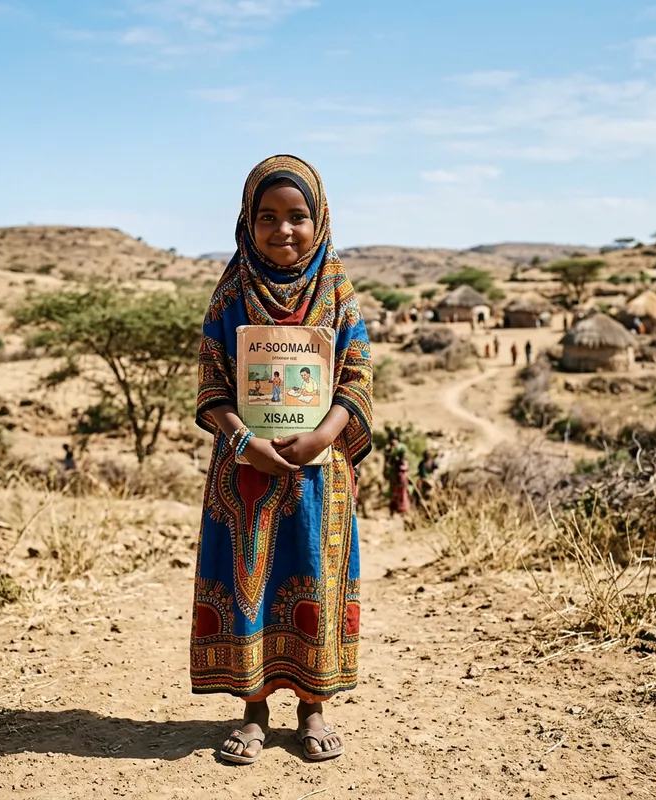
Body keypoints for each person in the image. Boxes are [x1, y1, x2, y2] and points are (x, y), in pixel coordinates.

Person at [192, 155, 373, 766]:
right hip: (246, 472)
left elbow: (357, 376)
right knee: (251, 581)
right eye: (267, 217)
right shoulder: (231, 293)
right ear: (246, 221)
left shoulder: (338, 292)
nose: (283, 230)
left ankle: (314, 707)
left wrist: (324, 435)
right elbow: (213, 383)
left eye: (297, 216)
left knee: (314, 577)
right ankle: (253, 711)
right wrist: (246, 442)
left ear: (319, 220)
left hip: (320, 475)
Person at [384, 436, 410, 515]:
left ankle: (398, 511)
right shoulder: (401, 463)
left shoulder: (400, 463)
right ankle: (395, 511)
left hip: (399, 480)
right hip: (398, 480)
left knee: (398, 495)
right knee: (398, 495)